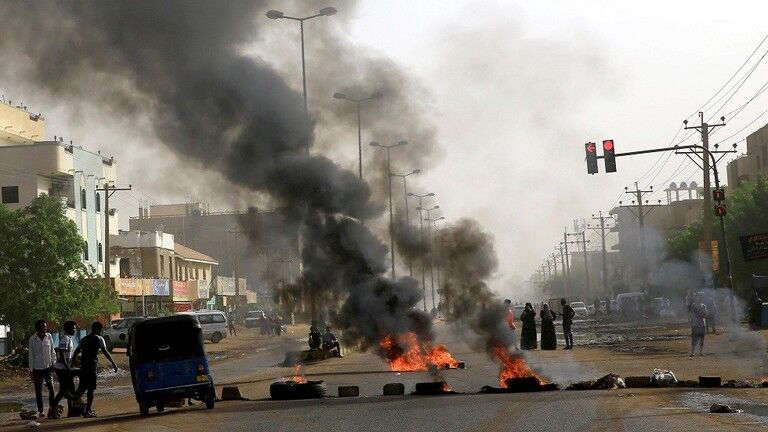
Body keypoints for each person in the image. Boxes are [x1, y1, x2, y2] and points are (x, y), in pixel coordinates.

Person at [72, 322, 118, 418]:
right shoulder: (99, 338)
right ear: (99, 329)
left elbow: (76, 352)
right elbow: (105, 352)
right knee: (91, 389)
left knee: (82, 387)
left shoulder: (83, 339)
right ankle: (87, 411)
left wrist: (72, 365)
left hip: (83, 365)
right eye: (101, 330)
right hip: (92, 365)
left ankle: (75, 409)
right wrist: (113, 364)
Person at [28, 320, 55, 419]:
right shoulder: (32, 339)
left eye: (45, 326)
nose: (45, 328)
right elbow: (31, 355)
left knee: (51, 389)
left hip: (48, 367)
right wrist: (31, 370)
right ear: (38, 328)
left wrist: (53, 363)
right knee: (38, 390)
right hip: (37, 368)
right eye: (43, 327)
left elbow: (52, 351)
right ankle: (41, 410)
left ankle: (52, 408)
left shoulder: (49, 337)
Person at [50, 321, 78, 419]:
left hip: (65, 367)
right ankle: (51, 410)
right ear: (68, 329)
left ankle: (71, 411)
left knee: (70, 389)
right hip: (62, 368)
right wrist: (67, 367)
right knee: (63, 390)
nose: (75, 330)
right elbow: (61, 355)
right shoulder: (65, 339)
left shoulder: (69, 339)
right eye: (74, 328)